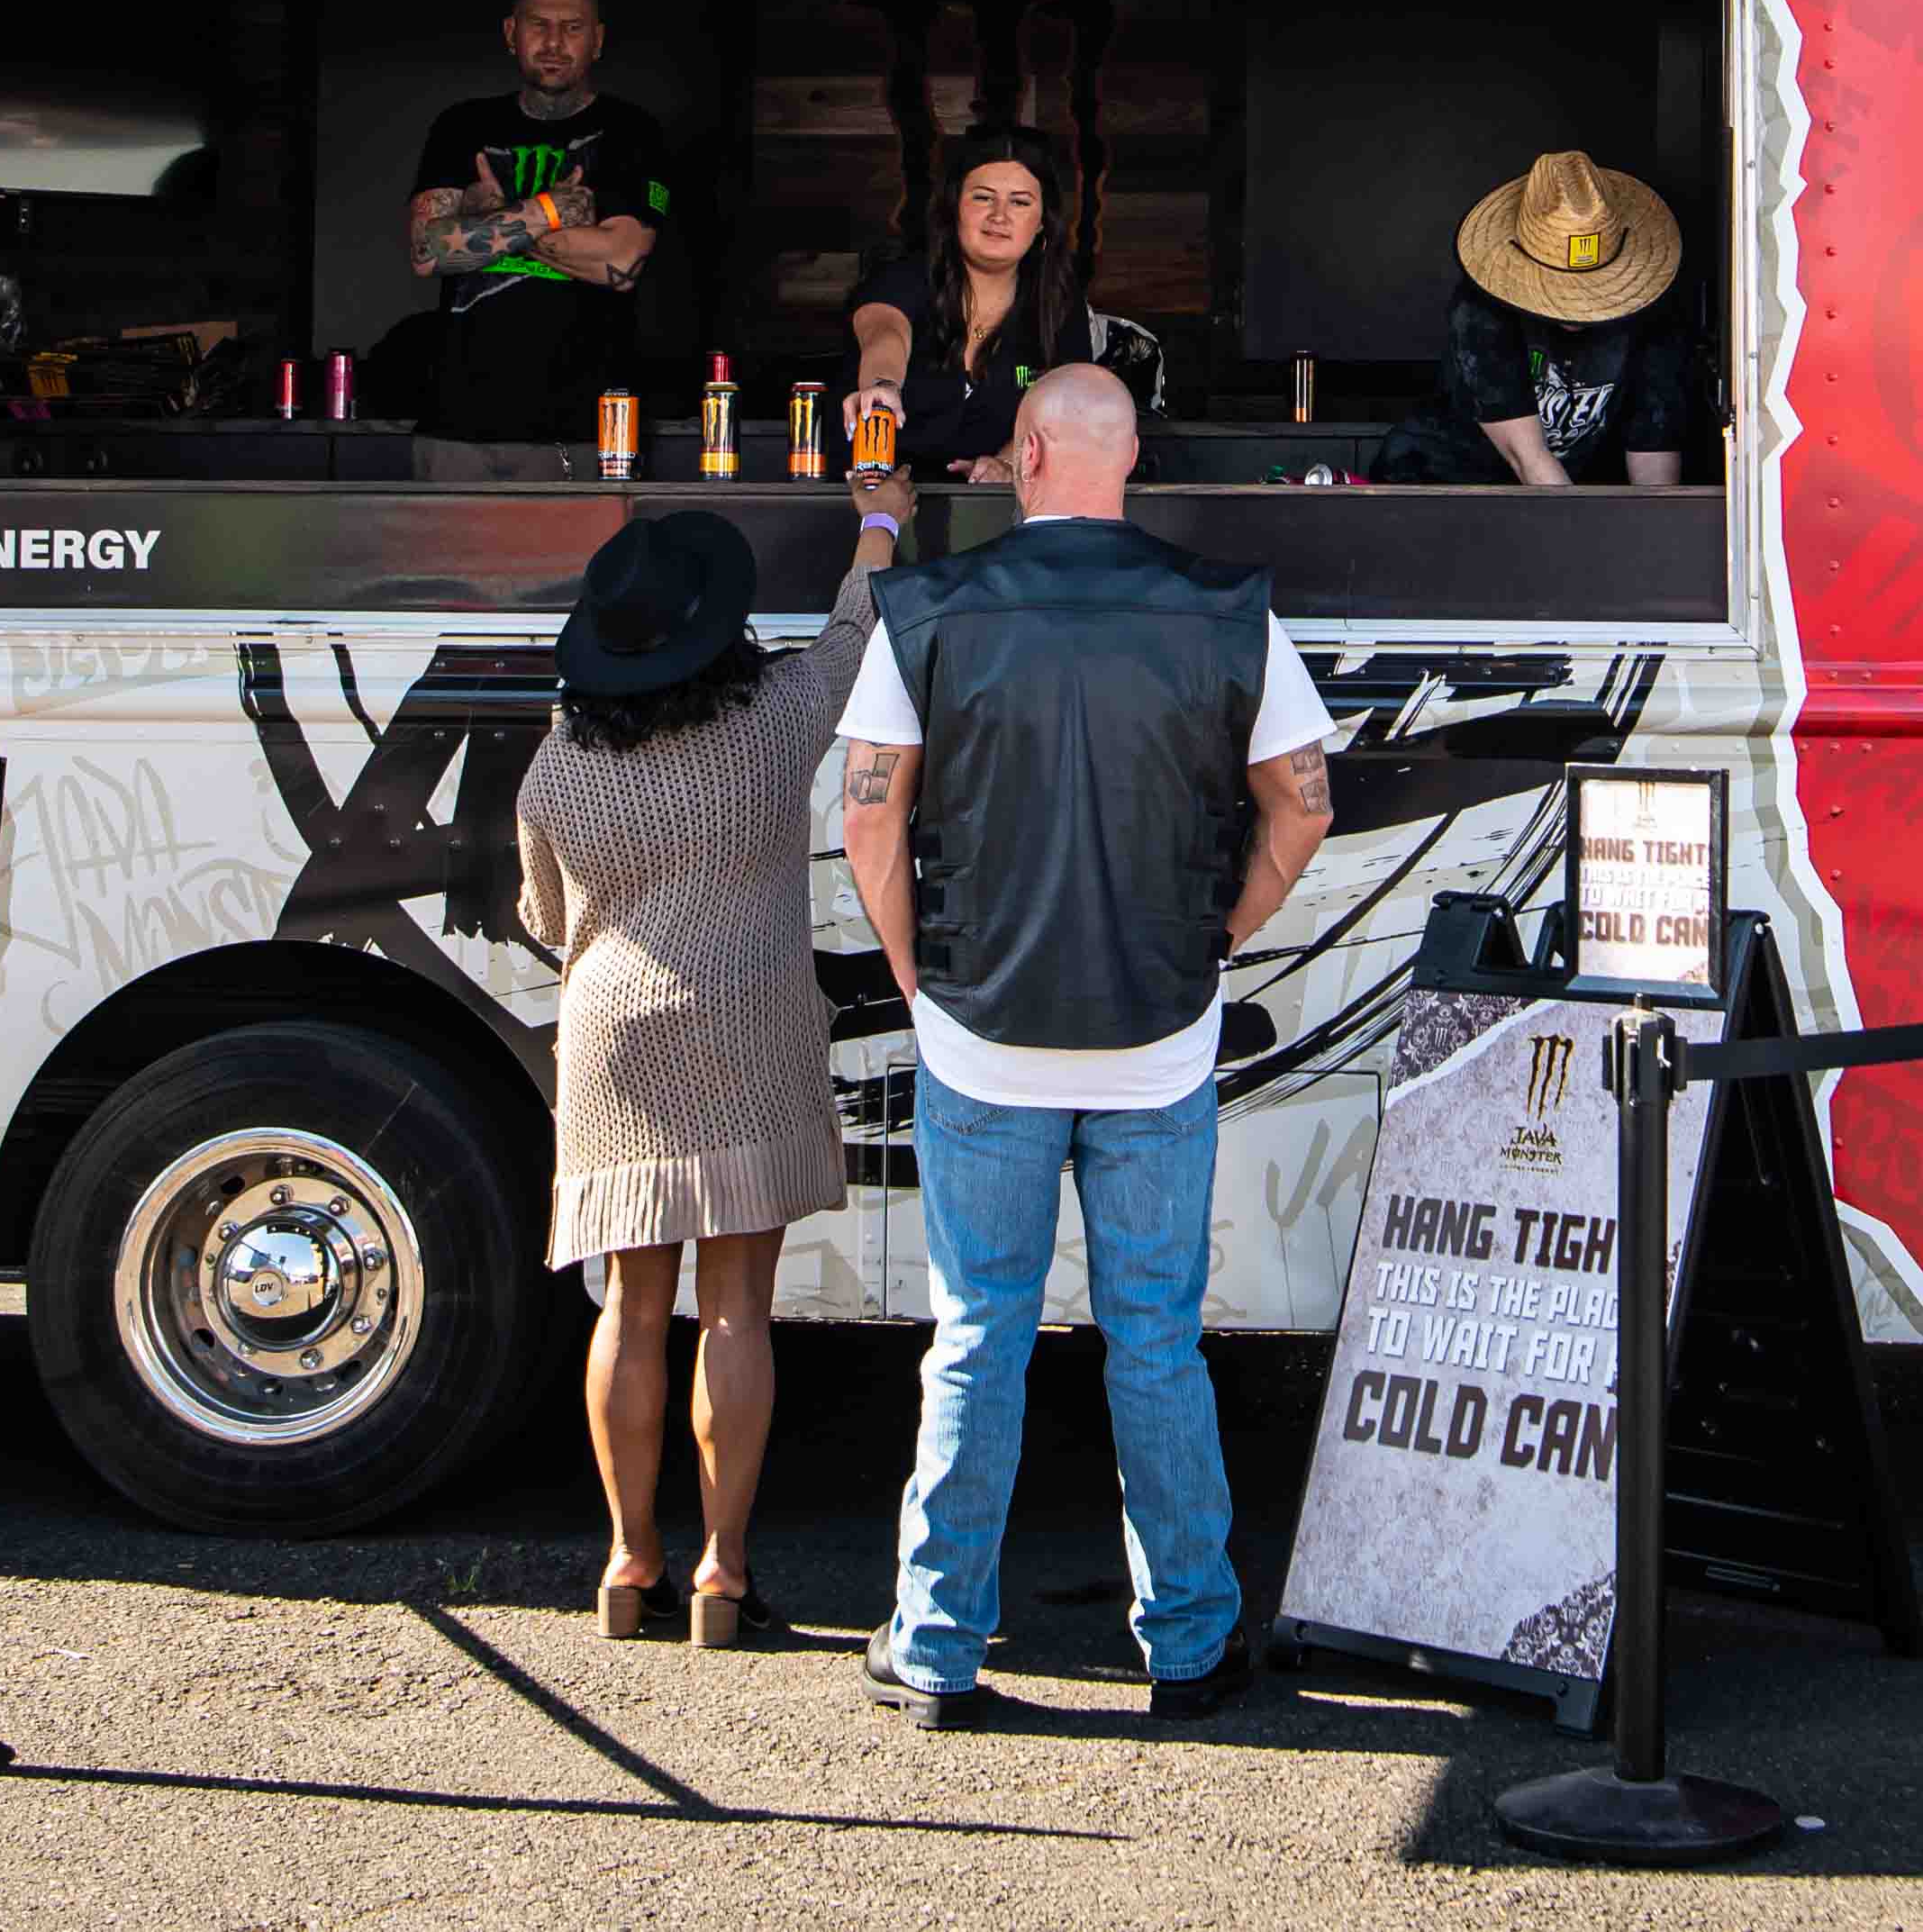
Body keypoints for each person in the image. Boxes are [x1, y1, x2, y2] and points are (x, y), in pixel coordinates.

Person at [836, 367, 1337, 1728]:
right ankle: (1190, 1646)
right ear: (1125, 461)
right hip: (1158, 1036)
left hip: (979, 1035)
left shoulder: (928, 609)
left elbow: (869, 814)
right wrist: (1222, 931)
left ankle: (937, 1647)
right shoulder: (1229, 611)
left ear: (1027, 455)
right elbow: (1302, 805)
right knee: (1157, 1341)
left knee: (975, 1335)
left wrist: (912, 966)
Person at [514, 460, 919, 1645]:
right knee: (736, 1306)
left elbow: (542, 916)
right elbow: (853, 635)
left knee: (630, 1304)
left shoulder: (557, 759)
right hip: (745, 1026)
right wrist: (879, 520)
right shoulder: (770, 723)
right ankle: (722, 1576)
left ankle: (627, 1560)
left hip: (609, 1045)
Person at [403, 0, 681, 478]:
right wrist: (546, 212)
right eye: (539, 25)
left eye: (572, 27)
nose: (554, 43)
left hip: (587, 430)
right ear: (511, 33)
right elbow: (427, 250)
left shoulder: (631, 132)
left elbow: (621, 260)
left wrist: (486, 219)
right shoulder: (461, 126)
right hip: (457, 427)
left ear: (598, 40)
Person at [1366, 150, 1709, 487]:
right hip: (1445, 482)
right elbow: (1528, 459)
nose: (1576, 306)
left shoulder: (1653, 314)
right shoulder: (1481, 311)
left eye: (1591, 288)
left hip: (1572, 488)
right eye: (1563, 289)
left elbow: (1654, 449)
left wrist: (1650, 522)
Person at [844, 126, 1142, 480]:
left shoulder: (1058, 303)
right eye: (983, 198)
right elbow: (885, 334)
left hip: (994, 501)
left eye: (1020, 202)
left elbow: (1066, 407)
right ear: (955, 207)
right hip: (872, 495)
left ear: (1042, 223)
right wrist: (883, 386)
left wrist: (1007, 464)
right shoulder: (901, 278)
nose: (999, 216)